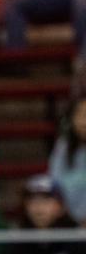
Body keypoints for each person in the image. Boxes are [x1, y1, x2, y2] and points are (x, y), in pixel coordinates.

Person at [49, 96, 86, 225]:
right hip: (68, 219)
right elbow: (55, 183)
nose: (84, 121)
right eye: (81, 115)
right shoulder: (63, 147)